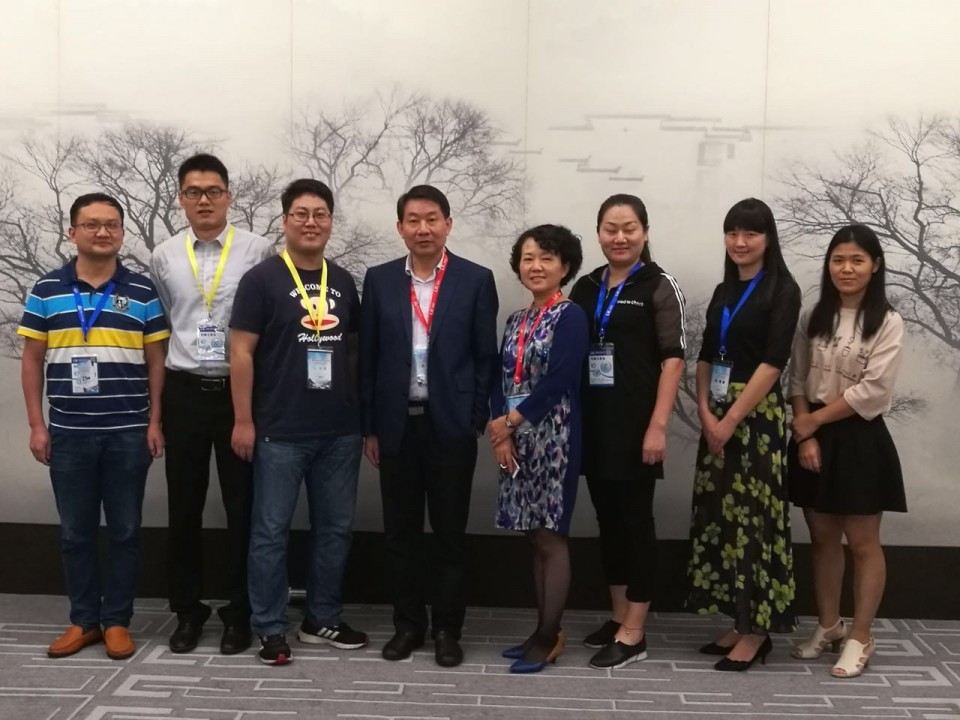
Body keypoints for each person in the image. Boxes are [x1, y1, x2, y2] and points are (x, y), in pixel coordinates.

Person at [19, 193, 169, 660]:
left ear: (121, 233)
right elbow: (32, 359)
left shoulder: (142, 291)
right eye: (91, 224)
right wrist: (37, 425)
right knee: (75, 533)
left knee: (125, 530)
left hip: (129, 432)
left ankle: (117, 621)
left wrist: (155, 420)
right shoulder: (47, 289)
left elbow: (156, 361)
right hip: (68, 434)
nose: (103, 232)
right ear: (73, 232)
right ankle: (84, 620)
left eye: (111, 225)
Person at [230, 179, 367, 666]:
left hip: (339, 432)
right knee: (270, 532)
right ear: (285, 220)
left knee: (335, 530)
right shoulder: (261, 280)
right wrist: (243, 420)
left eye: (320, 214)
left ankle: (321, 617)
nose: (311, 222)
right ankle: (269, 627)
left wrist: (360, 417)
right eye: (301, 214)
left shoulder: (343, 281)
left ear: (330, 221)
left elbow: (354, 352)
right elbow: (240, 353)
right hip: (279, 430)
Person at [360, 185, 499, 668]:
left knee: (449, 535)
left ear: (448, 224)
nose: (423, 228)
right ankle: (407, 626)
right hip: (396, 425)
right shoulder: (379, 280)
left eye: (432, 219)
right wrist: (370, 427)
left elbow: (485, 356)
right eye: (413, 220)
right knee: (399, 533)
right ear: (400, 228)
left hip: (450, 428)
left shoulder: (475, 279)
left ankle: (446, 629)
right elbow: (369, 357)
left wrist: (474, 417)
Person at [150, 153, 274, 655]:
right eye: (193, 192)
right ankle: (188, 610)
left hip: (239, 395)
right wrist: (158, 411)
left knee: (244, 508)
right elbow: (164, 326)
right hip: (184, 392)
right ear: (181, 198)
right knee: (184, 507)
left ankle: (239, 611)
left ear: (228, 196)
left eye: (213, 191)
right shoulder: (163, 255)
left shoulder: (258, 250)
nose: (204, 200)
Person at [569, 195, 686, 669]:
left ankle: (635, 631)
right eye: (610, 229)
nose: (620, 237)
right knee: (609, 521)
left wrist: (658, 426)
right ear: (599, 233)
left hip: (638, 428)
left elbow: (673, 361)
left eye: (629, 228)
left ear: (644, 232)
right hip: (593, 425)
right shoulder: (585, 286)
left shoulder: (658, 284)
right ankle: (618, 616)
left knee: (636, 524)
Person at [686, 197, 801, 671]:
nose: (740, 241)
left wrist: (731, 419)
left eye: (751, 233)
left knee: (755, 521)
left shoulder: (783, 290)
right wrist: (705, 413)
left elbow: (774, 363)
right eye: (732, 232)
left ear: (768, 239)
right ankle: (739, 619)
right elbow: (705, 356)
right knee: (722, 518)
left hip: (755, 419)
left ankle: (756, 632)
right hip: (715, 415)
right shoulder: (723, 291)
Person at [787, 224, 906, 678]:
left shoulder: (888, 321)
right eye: (838, 259)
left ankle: (860, 635)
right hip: (812, 435)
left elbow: (873, 391)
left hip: (859, 437)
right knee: (821, 537)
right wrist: (805, 434)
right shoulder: (813, 315)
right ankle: (829, 625)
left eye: (857, 260)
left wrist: (814, 423)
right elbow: (797, 377)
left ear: (875, 265)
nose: (847, 268)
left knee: (862, 542)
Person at [488, 224, 589, 674]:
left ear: (565, 266)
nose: (536, 266)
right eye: (528, 258)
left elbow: (560, 379)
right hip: (516, 437)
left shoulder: (570, 316)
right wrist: (503, 432)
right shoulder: (517, 319)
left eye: (547, 258)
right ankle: (541, 629)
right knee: (532, 534)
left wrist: (509, 422)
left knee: (550, 534)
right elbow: (501, 378)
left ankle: (550, 635)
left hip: (554, 438)